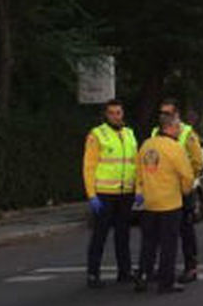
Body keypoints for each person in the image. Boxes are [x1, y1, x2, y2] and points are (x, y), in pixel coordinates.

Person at [134, 112, 195, 294]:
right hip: (169, 203)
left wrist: (141, 193)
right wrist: (184, 192)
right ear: (169, 127)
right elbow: (187, 176)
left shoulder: (146, 145)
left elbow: (138, 172)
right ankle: (166, 282)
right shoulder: (174, 148)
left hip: (149, 202)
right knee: (168, 244)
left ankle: (143, 276)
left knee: (148, 243)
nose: (179, 130)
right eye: (177, 126)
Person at [82, 98, 137, 289]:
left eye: (119, 112)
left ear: (123, 114)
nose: (116, 116)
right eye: (112, 113)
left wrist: (138, 188)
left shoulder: (129, 134)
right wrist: (91, 195)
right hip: (104, 193)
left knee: (123, 235)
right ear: (106, 115)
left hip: (126, 192)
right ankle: (93, 274)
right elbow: (89, 167)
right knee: (100, 235)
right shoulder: (97, 135)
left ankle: (125, 271)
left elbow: (134, 164)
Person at [155, 98, 203, 283]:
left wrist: (186, 179)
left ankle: (191, 267)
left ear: (176, 114)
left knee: (186, 230)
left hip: (183, 190)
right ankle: (165, 268)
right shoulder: (156, 131)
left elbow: (197, 162)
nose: (163, 116)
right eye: (161, 113)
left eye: (167, 113)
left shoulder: (187, 133)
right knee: (164, 232)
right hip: (164, 190)